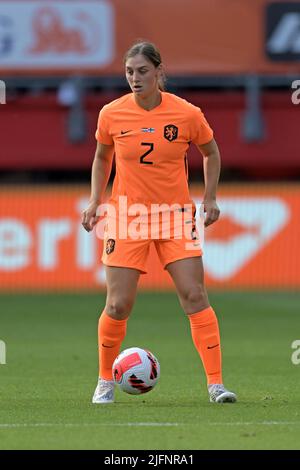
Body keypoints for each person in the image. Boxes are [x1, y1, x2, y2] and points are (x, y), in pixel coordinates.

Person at [82, 41, 237, 404]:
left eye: (142, 71)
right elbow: (102, 158)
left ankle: (216, 384)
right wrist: (95, 200)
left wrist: (210, 197)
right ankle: (105, 380)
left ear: (159, 72)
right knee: (118, 304)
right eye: (129, 72)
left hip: (175, 217)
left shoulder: (186, 113)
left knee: (195, 296)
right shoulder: (112, 114)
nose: (135, 78)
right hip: (127, 217)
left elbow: (210, 152)